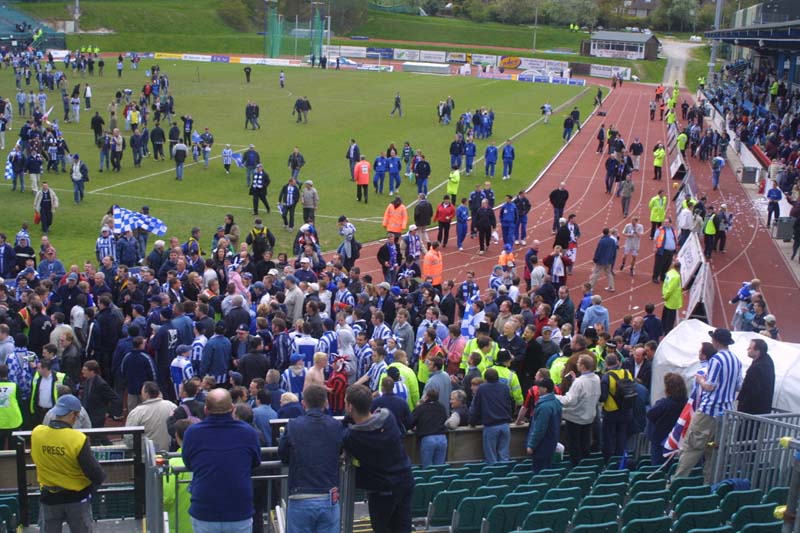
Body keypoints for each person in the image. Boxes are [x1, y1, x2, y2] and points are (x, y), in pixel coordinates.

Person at [183, 388, 261, 532]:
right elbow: (256, 462)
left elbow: (188, 462)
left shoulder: (192, 433)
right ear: (232, 408)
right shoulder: (248, 433)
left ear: (206, 409)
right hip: (239, 507)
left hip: (205, 507)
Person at [343, 385, 415, 533]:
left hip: (382, 491)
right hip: (405, 481)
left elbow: (343, 436)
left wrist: (346, 421)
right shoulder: (388, 417)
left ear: (350, 407)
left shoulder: (352, 437)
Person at [673, 329, 742, 481]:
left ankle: (676, 483)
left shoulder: (717, 359)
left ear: (716, 341)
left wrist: (700, 381)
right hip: (725, 413)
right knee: (714, 451)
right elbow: (738, 386)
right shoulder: (737, 360)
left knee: (691, 448)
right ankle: (707, 485)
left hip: (708, 410)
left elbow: (710, 386)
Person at [31, 394, 105, 532]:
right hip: (76, 498)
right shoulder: (77, 439)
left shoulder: (37, 433)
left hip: (49, 497)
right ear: (73, 415)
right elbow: (94, 471)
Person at [278, 384, 344, 533]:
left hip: (300, 495)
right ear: (326, 403)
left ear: (303, 403)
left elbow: (282, 453)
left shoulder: (293, 425)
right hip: (328, 494)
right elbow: (339, 450)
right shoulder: (336, 425)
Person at [556, 353, 601, 466]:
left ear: (582, 366)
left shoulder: (579, 382)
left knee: (574, 445)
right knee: (585, 444)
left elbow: (569, 400)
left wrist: (554, 397)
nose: (576, 365)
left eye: (578, 363)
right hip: (589, 416)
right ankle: (585, 468)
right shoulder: (596, 378)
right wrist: (575, 380)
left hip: (575, 418)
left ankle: (576, 467)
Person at [469, 367, 513, 463]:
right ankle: (505, 477)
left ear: (485, 379)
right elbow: (510, 404)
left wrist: (472, 422)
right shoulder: (505, 387)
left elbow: (476, 408)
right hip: (505, 425)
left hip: (491, 426)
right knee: (504, 457)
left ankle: (494, 476)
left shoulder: (482, 389)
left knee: (491, 459)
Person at [646, 372, 687, 465]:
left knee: (658, 465)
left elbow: (650, 414)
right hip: (676, 438)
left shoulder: (664, 404)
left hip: (660, 439)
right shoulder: (686, 403)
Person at [599, 353, 634, 461]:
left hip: (611, 411)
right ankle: (620, 460)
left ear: (606, 363)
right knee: (622, 436)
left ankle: (609, 461)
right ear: (617, 362)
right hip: (626, 409)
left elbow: (603, 397)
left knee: (608, 438)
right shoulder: (627, 373)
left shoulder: (606, 377)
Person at [125, 381, 177, 452]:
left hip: (147, 456)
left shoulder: (137, 412)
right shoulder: (172, 406)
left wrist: (137, 451)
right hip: (170, 452)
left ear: (146, 394)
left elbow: (128, 437)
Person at [163, 419, 195, 533]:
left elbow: (166, 498)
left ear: (176, 436)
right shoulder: (207, 461)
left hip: (178, 525)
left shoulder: (173, 463)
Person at [525, 377, 562, 473]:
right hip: (552, 442)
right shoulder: (556, 402)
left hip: (542, 446)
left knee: (540, 473)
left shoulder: (544, 407)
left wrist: (531, 445)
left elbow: (539, 429)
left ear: (545, 389)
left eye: (539, 387)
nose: (537, 389)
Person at [411, 388, 448, 467]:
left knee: (428, 469)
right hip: (442, 438)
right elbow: (445, 419)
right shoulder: (442, 407)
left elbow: (411, 422)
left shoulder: (420, 408)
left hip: (428, 438)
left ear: (427, 397)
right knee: (440, 468)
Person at [737, 338, 775, 415]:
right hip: (762, 409)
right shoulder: (767, 361)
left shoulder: (757, 367)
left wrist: (742, 405)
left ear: (757, 351)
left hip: (752, 410)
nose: (747, 349)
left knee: (745, 427)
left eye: (750, 348)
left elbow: (751, 390)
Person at [589, 228, 617, 293]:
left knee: (596, 273)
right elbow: (614, 251)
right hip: (609, 260)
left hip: (601, 261)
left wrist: (595, 259)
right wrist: (612, 260)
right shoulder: (612, 241)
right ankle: (611, 287)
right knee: (609, 273)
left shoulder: (601, 241)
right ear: (608, 233)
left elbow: (598, 251)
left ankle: (591, 287)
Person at [661, 260, 683, 334]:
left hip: (666, 295)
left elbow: (665, 284)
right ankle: (667, 332)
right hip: (672, 299)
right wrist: (666, 296)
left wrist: (664, 294)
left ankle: (663, 328)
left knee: (665, 314)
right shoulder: (676, 277)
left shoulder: (669, 273)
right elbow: (671, 289)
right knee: (670, 318)